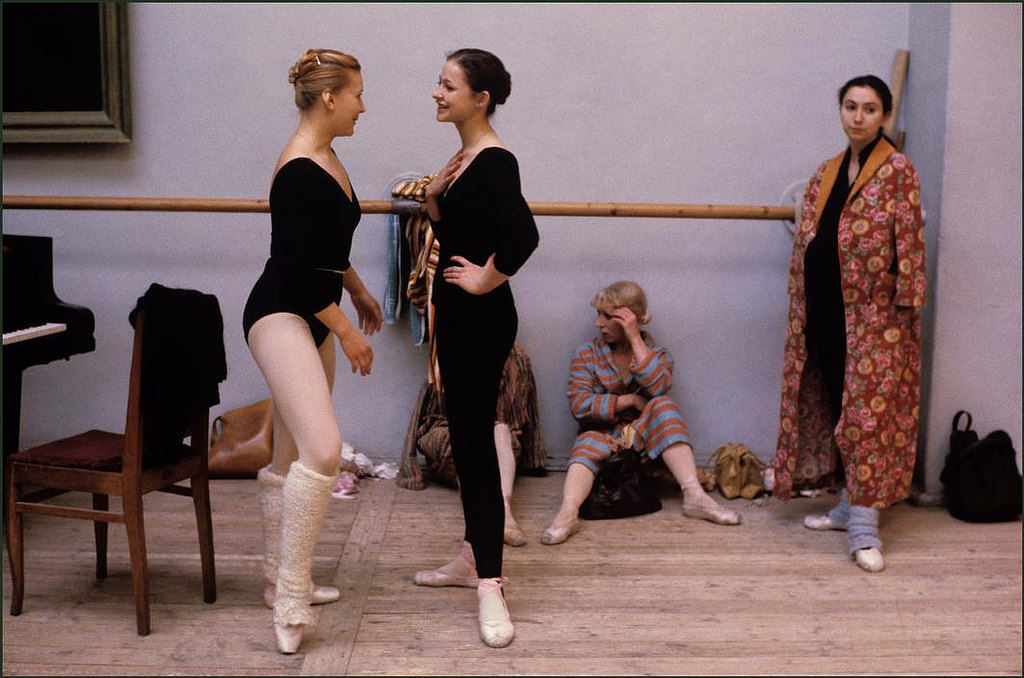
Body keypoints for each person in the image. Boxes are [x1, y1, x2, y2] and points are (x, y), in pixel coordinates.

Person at [241, 48, 383, 654]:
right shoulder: (299, 167)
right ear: (329, 98)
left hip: (316, 312)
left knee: (293, 450)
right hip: (279, 313)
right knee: (324, 452)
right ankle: (293, 601)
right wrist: (346, 328)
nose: (362, 104)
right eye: (356, 94)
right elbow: (297, 270)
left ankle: (278, 580)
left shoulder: (329, 155)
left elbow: (325, 248)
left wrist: (358, 292)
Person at [770, 75, 926, 573]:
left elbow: (913, 246)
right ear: (841, 111)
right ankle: (844, 506)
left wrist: (903, 317)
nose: (858, 117)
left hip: (875, 323)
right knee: (839, 408)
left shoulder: (898, 170)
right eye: (851, 107)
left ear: (885, 116)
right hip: (824, 317)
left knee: (868, 421)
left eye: (870, 109)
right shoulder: (826, 172)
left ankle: (864, 525)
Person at [411, 48, 539, 649]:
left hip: (481, 321)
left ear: (480, 98)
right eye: (439, 83)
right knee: (465, 440)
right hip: (459, 318)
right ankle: (472, 555)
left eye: (447, 85)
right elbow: (468, 233)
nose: (437, 93)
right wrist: (436, 203)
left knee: (476, 446)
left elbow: (524, 234)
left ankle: (491, 580)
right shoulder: (465, 159)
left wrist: (493, 276)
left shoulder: (493, 160)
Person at [540, 281, 741, 546]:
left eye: (608, 316)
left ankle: (694, 496)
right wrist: (629, 400)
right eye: (598, 314)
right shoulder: (586, 353)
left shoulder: (656, 355)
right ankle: (568, 512)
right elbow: (579, 405)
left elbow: (658, 387)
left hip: (641, 439)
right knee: (588, 442)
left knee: (664, 405)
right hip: (601, 433)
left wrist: (635, 339)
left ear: (629, 319)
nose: (599, 323)